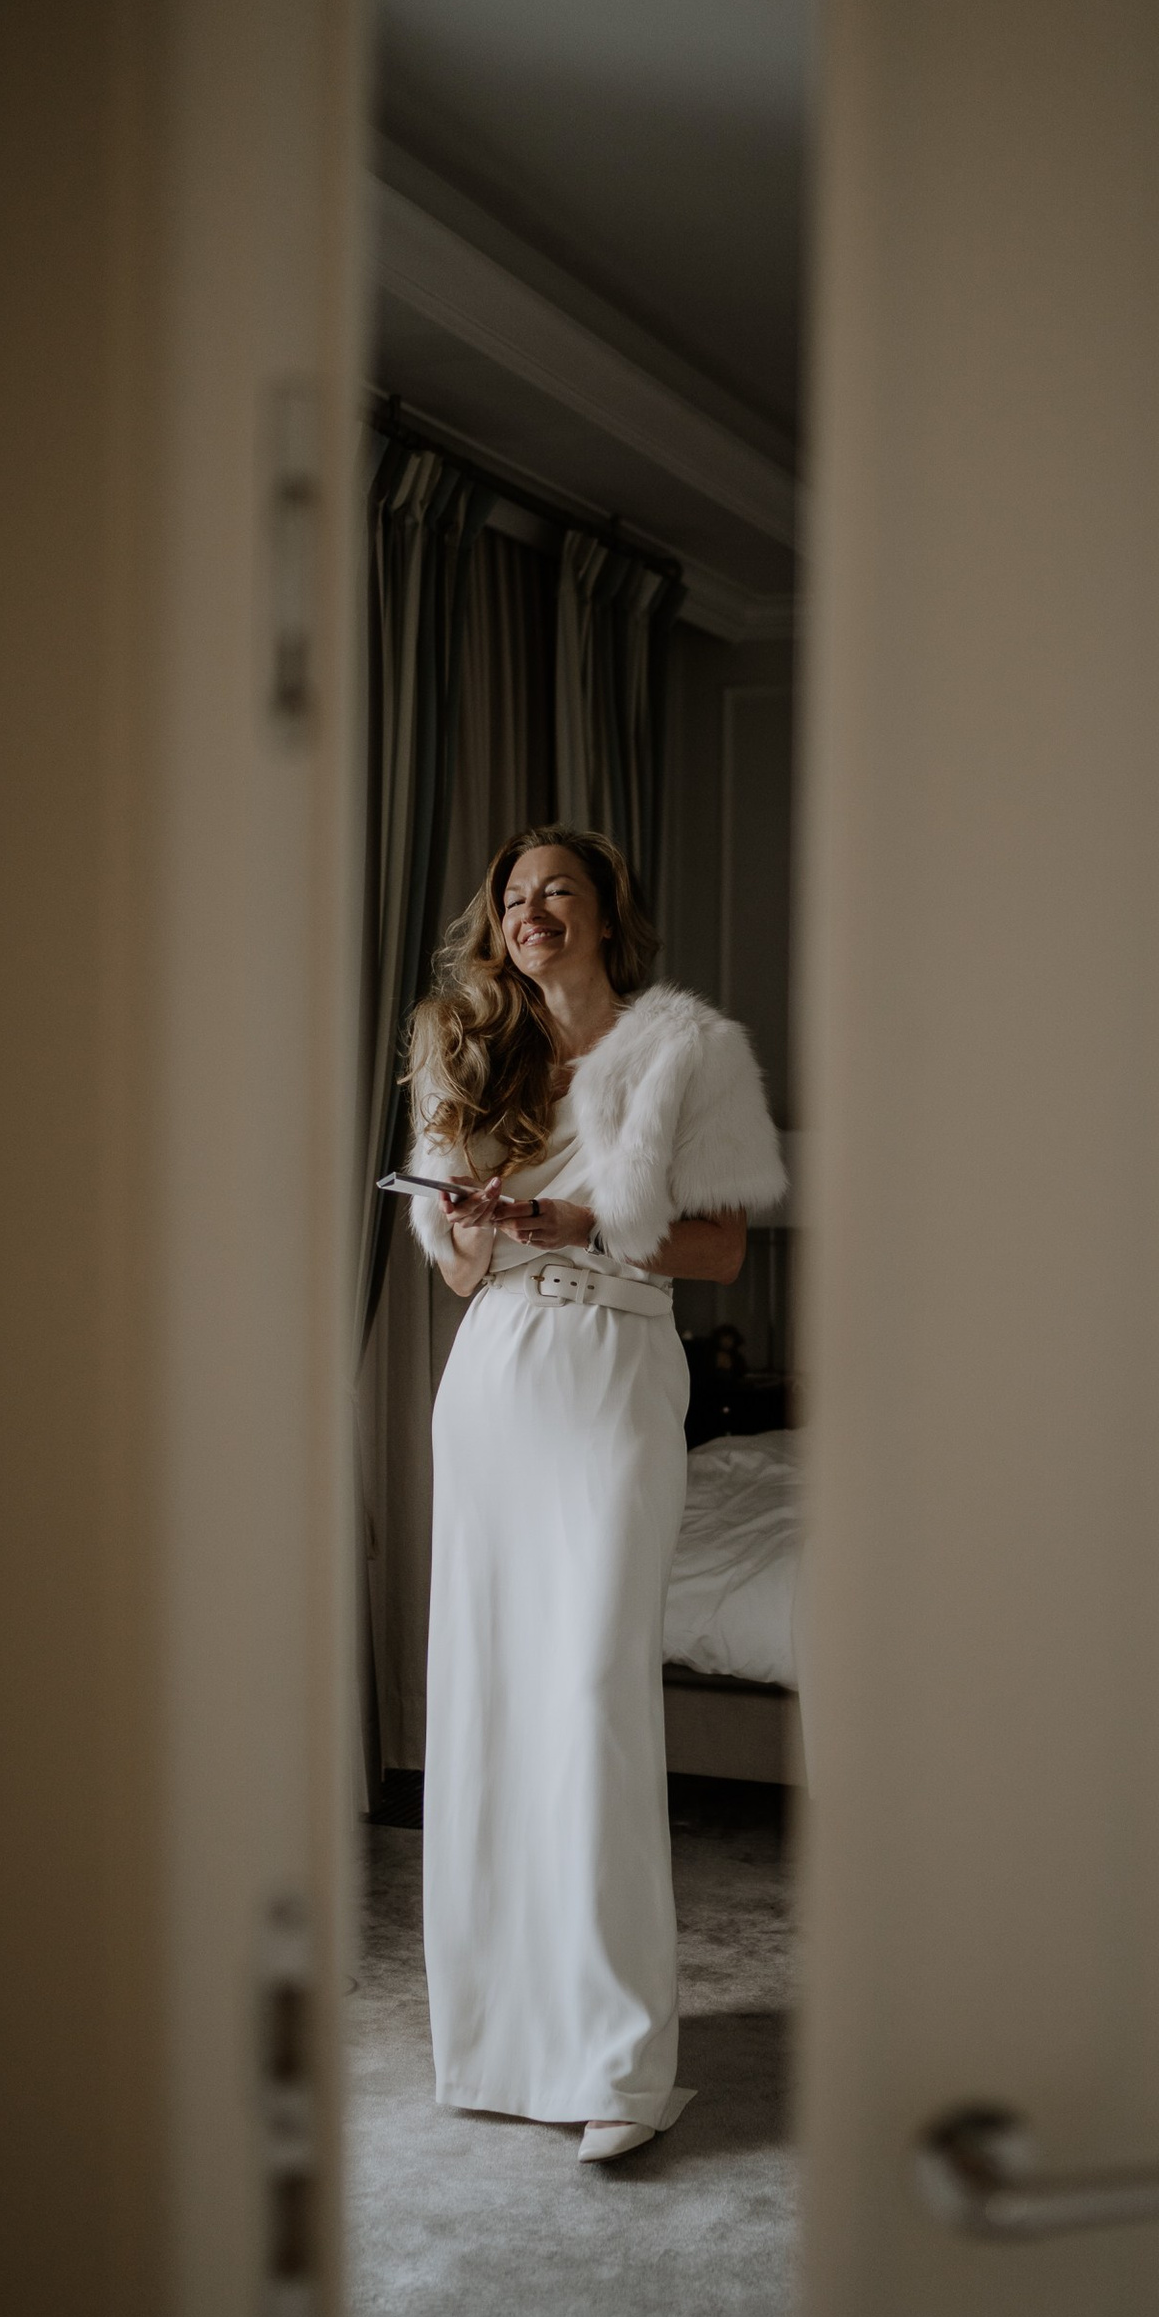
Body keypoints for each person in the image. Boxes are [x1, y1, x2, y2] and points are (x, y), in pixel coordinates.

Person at [403, 826, 786, 2160]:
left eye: (555, 889)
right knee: (491, 1696)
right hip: (495, 1374)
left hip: (615, 1370)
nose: (530, 911)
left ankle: (617, 2065)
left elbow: (724, 1252)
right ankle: (500, 2043)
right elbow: (454, 1273)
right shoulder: (472, 1055)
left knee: (592, 1698)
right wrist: (471, 1222)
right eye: (512, 896)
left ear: (607, 911)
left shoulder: (689, 1049)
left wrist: (588, 1222)